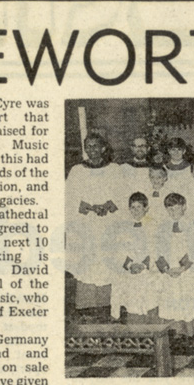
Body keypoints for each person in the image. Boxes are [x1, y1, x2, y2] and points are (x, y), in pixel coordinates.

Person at [66, 132, 122, 302]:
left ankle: (109, 302)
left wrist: (107, 206)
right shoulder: (77, 171)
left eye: (96, 146)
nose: (92, 150)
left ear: (103, 148)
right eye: (88, 146)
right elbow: (69, 196)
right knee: (87, 260)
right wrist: (87, 206)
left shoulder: (115, 170)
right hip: (87, 223)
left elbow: (122, 193)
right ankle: (87, 303)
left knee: (108, 258)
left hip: (108, 222)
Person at [110, 192, 159, 322]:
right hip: (130, 268)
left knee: (150, 296)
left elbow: (156, 248)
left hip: (148, 268)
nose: (135, 210)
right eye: (132, 207)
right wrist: (130, 264)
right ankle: (134, 325)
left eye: (139, 207)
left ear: (146, 208)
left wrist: (143, 265)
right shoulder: (123, 226)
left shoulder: (153, 225)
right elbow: (119, 249)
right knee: (131, 297)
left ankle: (152, 326)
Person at [153, 192, 194, 326]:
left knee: (186, 299)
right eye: (169, 209)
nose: (172, 211)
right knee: (170, 300)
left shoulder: (191, 225)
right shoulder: (162, 227)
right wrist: (166, 268)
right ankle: (172, 331)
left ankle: (188, 334)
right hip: (169, 271)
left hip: (185, 270)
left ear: (184, 207)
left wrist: (182, 268)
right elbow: (157, 249)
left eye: (176, 208)